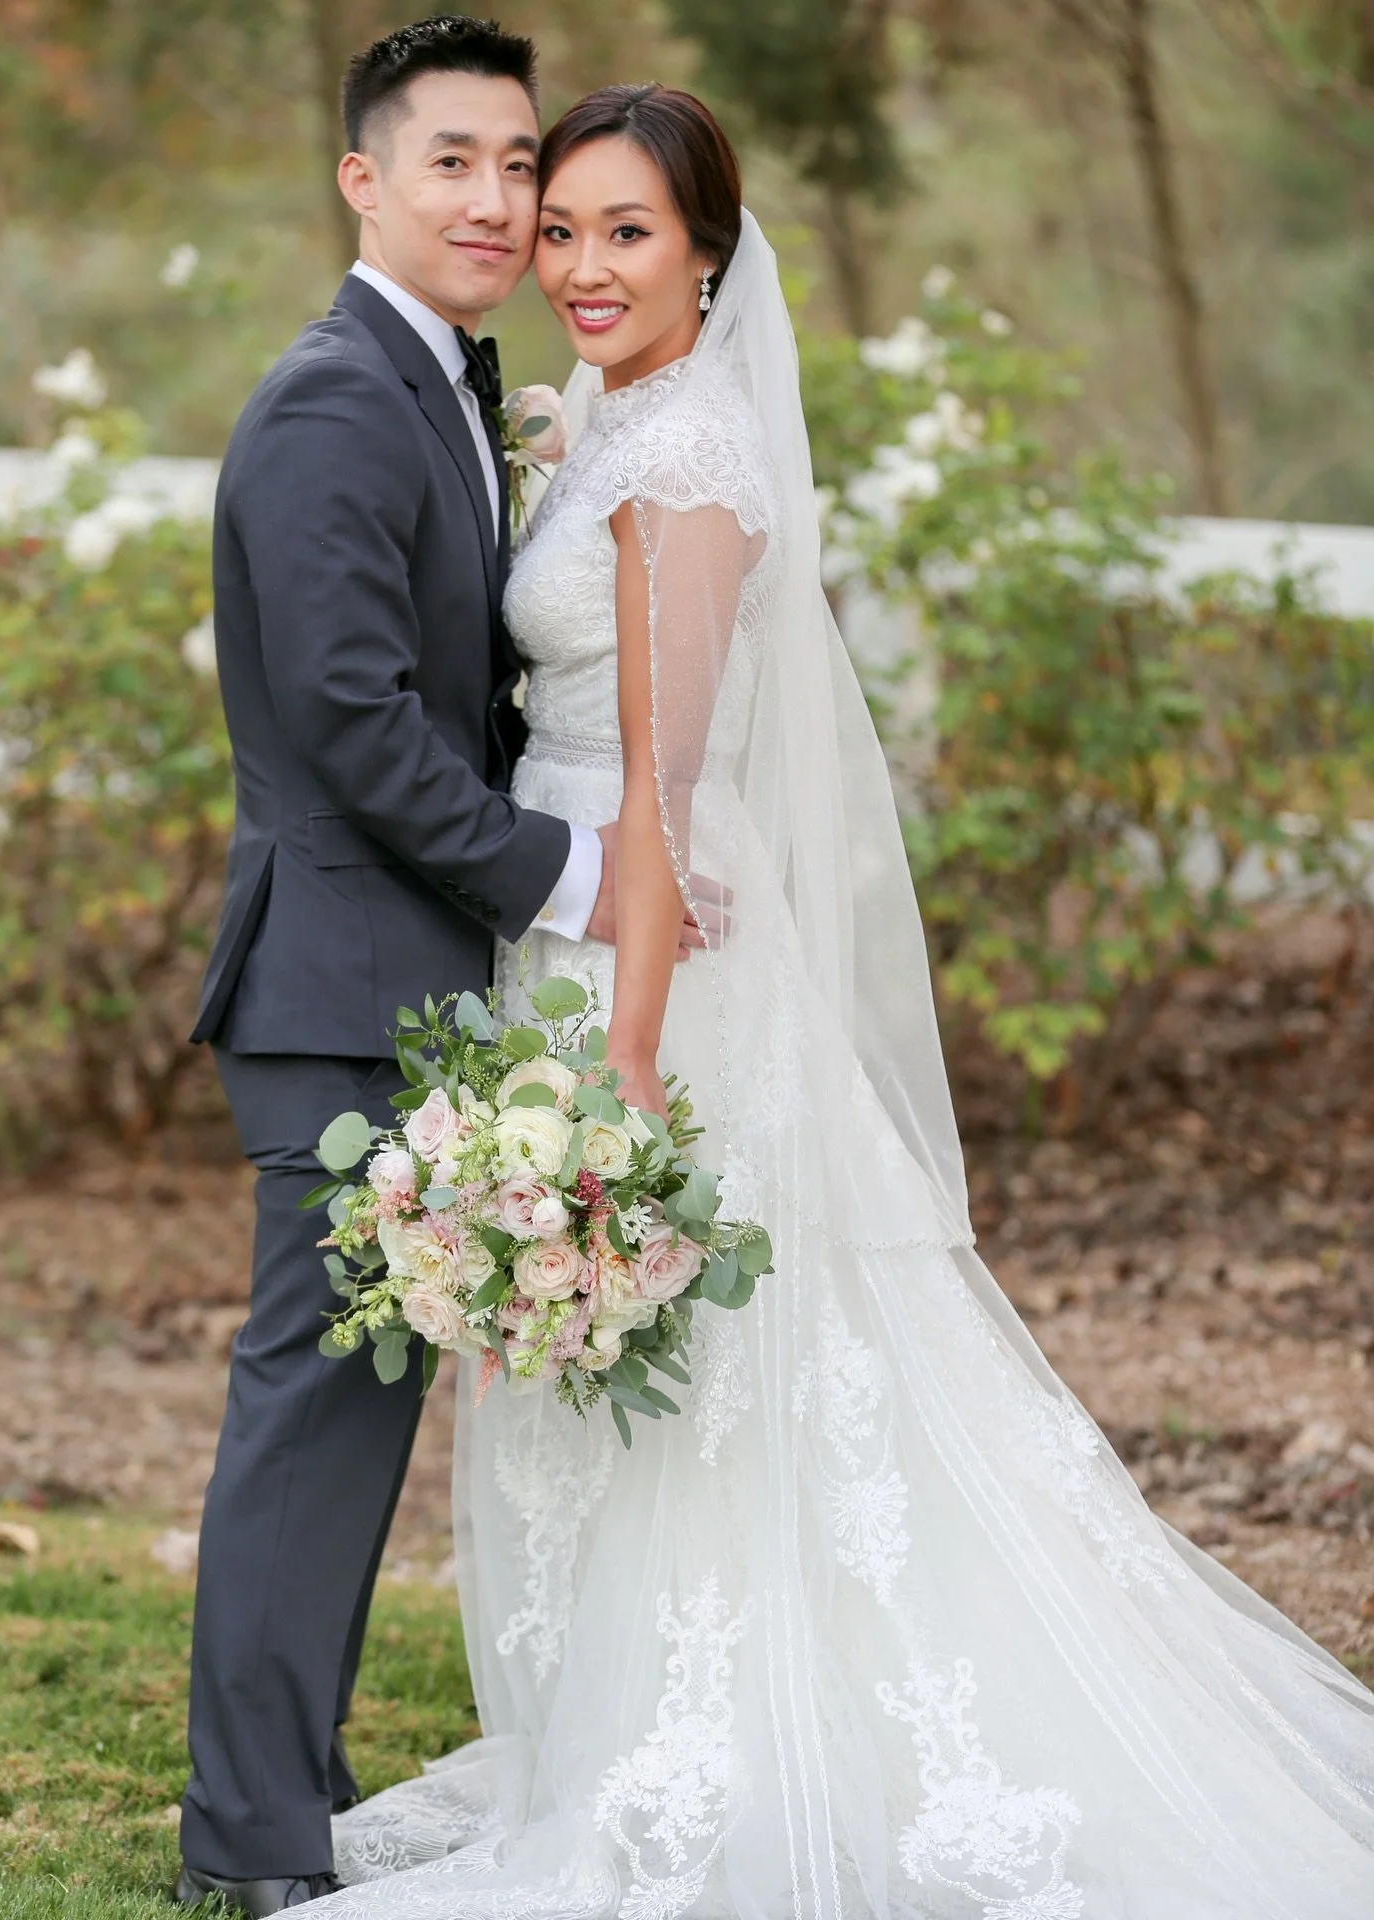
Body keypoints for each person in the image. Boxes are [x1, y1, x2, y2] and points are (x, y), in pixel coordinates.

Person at [298, 80, 1374, 1920]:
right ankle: (623, 1728)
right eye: (562, 230)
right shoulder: (618, 422)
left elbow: (661, 791)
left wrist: (629, 1060)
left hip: (647, 961)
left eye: (628, 232)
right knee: (649, 1380)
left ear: (710, 254)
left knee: (713, 1371)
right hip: (575, 931)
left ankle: (721, 1745)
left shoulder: (684, 459)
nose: (582, 265)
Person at [177, 21, 710, 1914]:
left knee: (353, 1417)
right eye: (454, 163)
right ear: (365, 180)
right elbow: (349, 718)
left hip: (398, 975)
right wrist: (567, 868)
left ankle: (288, 1788)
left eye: (518, 165)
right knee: (315, 1420)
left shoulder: (435, 382)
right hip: (339, 979)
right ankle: (250, 1844)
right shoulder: (337, 401)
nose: (495, 202)